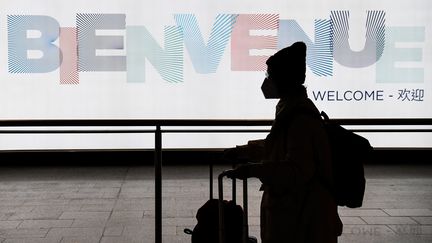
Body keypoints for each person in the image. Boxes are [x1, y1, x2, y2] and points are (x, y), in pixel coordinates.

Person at [224, 42, 343, 243]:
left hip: (303, 218)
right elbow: (277, 146)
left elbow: (295, 170)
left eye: (270, 75)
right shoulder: (290, 108)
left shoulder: (300, 118)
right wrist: (242, 151)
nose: (266, 81)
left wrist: (253, 170)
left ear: (285, 78)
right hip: (297, 212)